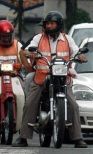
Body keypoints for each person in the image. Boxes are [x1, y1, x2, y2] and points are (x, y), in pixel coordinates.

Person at [12, 11, 88, 148]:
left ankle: (77, 138)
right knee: (29, 103)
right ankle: (23, 137)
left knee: (73, 104)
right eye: (47, 23)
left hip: (62, 77)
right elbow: (25, 51)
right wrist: (31, 57)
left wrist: (80, 56)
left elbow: (76, 51)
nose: (49, 26)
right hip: (42, 76)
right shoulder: (38, 38)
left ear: (59, 25)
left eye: (52, 23)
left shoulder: (67, 39)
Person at [0, 20, 25, 133]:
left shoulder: (17, 45)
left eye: (8, 36)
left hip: (14, 76)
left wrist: (22, 64)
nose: (6, 39)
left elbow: (25, 58)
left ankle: (20, 124)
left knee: (21, 95)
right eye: (3, 36)